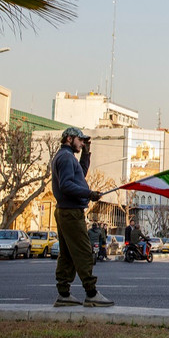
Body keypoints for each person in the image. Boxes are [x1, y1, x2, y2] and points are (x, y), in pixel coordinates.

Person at [51, 127, 113, 307]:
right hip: (71, 212)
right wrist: (89, 193)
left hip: (65, 211)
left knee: (67, 254)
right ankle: (91, 293)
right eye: (80, 140)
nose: (82, 143)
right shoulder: (65, 158)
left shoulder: (67, 157)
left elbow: (80, 175)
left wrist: (86, 153)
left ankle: (64, 293)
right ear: (69, 139)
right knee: (84, 252)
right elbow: (67, 185)